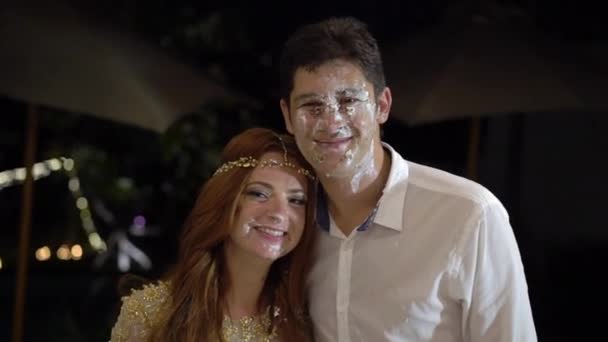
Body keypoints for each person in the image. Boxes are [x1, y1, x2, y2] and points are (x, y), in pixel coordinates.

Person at [278, 16, 537, 341]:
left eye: (348, 101)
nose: (331, 122)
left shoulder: (470, 214)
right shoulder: (288, 226)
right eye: (312, 106)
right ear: (288, 116)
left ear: (382, 105)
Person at [109, 127, 317, 342]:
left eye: (297, 200)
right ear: (223, 200)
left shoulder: (305, 324)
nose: (279, 213)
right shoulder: (149, 314)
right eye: (258, 193)